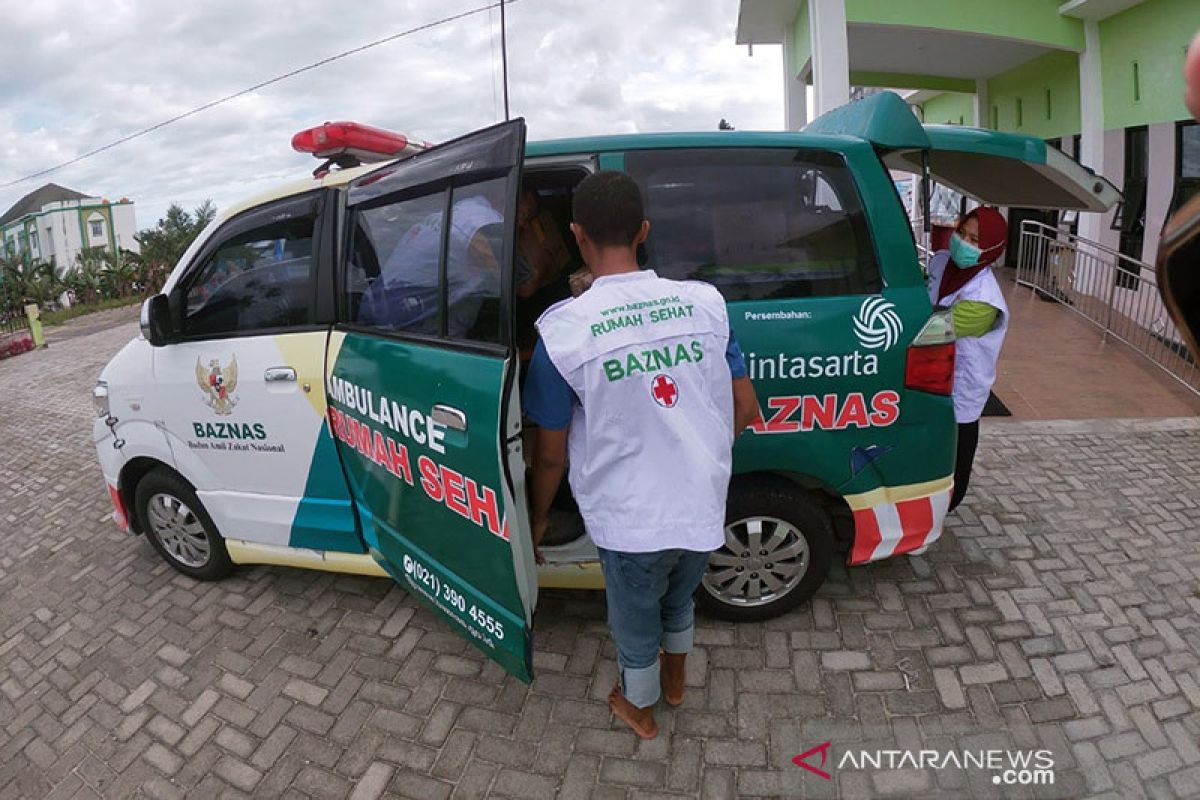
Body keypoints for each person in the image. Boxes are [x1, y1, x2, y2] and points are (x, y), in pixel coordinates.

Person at [523, 171, 759, 739]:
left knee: (634, 628)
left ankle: (641, 709)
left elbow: (550, 457)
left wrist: (534, 522)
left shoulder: (563, 334)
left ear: (576, 235)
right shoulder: (705, 305)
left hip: (632, 524)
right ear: (644, 231)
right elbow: (746, 409)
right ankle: (676, 683)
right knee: (680, 604)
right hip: (700, 507)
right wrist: (694, 459)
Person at [927, 206, 1009, 512]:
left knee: (954, 459)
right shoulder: (941, 261)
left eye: (975, 240)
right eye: (962, 233)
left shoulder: (982, 299)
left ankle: (945, 507)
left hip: (962, 386)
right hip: (932, 377)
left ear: (991, 249)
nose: (963, 243)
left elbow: (932, 331)